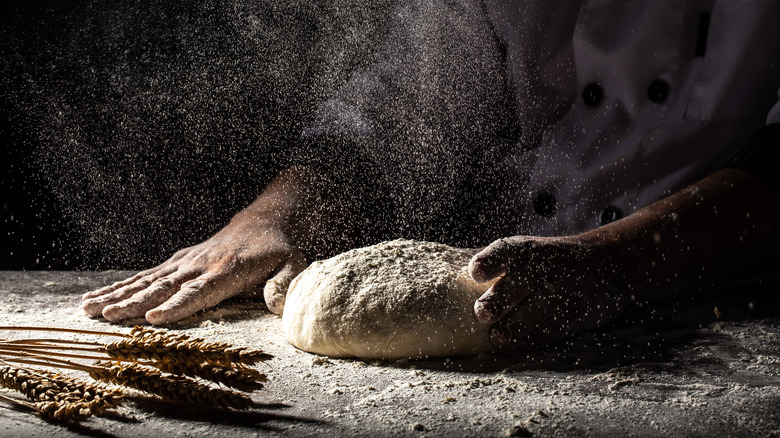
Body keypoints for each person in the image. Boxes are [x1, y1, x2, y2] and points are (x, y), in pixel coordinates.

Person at [82, 1, 780, 351]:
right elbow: (398, 106)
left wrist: (618, 263)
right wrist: (272, 217)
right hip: (513, 295)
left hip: (732, 304)